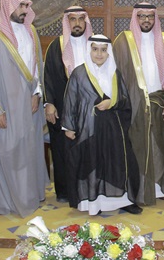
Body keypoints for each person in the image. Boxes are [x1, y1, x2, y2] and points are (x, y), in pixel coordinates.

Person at [0, 0, 49, 217]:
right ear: (8, 6)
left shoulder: (31, 31)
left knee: (28, 151)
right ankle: (5, 202)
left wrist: (37, 93)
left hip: (29, 104)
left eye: (26, 6)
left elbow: (37, 67)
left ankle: (28, 197)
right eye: (20, 6)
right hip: (6, 105)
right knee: (7, 151)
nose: (24, 10)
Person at [61, 34, 142, 215]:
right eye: (95, 49)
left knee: (117, 163)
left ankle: (123, 201)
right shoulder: (79, 73)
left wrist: (111, 103)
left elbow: (125, 99)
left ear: (108, 52)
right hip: (88, 128)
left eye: (103, 50)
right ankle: (94, 204)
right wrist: (69, 127)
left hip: (113, 129)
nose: (99, 54)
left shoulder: (115, 73)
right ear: (89, 50)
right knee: (92, 165)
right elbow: (70, 100)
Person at [113, 2, 164, 205]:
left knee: (160, 146)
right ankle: (139, 190)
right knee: (138, 147)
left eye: (150, 16)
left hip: (160, 103)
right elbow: (116, 75)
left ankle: (160, 189)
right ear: (135, 18)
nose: (146, 20)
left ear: (155, 18)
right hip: (134, 105)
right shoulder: (123, 41)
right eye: (142, 16)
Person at [43, 6, 93, 203]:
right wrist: (49, 103)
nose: (77, 23)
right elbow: (48, 76)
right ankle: (65, 191)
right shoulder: (56, 46)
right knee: (63, 148)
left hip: (89, 107)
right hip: (63, 107)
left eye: (81, 19)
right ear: (67, 22)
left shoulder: (94, 45)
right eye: (73, 19)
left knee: (88, 147)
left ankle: (88, 189)